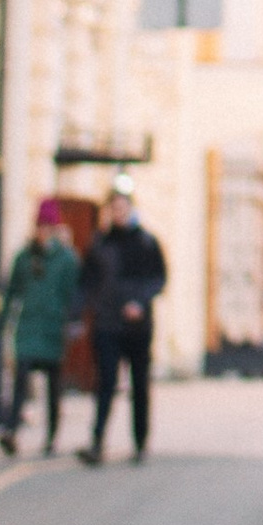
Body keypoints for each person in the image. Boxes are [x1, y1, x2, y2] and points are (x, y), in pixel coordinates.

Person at [77, 190, 168, 466]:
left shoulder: (147, 242)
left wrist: (140, 303)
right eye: (113, 209)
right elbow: (87, 282)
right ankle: (97, 442)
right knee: (105, 383)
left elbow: (159, 279)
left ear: (131, 210)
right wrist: (81, 312)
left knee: (140, 385)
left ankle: (140, 442)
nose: (118, 213)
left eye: (122, 208)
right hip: (107, 323)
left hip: (138, 327)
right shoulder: (100, 244)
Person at [0, 197, 82, 459]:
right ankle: (11, 431)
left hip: (53, 328)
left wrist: (74, 320)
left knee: (53, 386)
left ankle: (51, 437)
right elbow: (12, 291)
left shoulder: (67, 259)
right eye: (39, 226)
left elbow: (75, 293)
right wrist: (4, 320)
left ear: (54, 229)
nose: (42, 232)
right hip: (29, 326)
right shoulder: (24, 257)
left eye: (47, 227)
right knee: (20, 379)